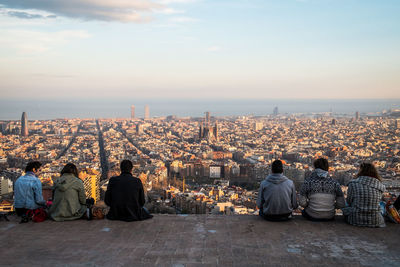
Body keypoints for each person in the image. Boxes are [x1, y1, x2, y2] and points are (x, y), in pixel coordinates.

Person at [344, 162, 386, 227]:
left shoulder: (353, 183)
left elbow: (349, 201)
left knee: (345, 203)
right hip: (375, 221)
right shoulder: (380, 186)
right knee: (382, 204)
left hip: (355, 219)